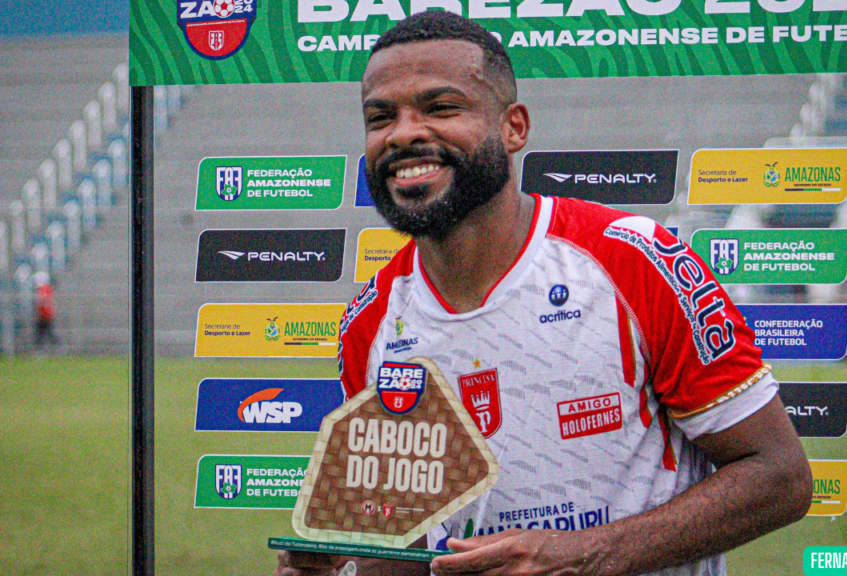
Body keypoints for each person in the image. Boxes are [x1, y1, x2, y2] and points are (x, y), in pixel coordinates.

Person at [277, 11, 811, 576]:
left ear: (514, 128)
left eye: (440, 108)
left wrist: (586, 555)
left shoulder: (635, 261)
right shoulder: (372, 320)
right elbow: (398, 549)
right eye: (380, 116)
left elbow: (779, 477)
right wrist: (338, 567)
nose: (404, 133)